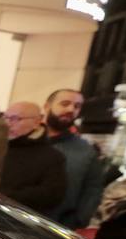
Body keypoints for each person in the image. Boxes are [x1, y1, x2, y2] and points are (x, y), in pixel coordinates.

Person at [43, 89, 107, 228]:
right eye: (65, 103)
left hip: (56, 227)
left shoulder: (86, 151)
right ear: (47, 106)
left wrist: (78, 220)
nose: (71, 109)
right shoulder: (26, 141)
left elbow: (93, 189)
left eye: (77, 106)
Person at [0, 102, 66, 214]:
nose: (8, 123)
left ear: (36, 122)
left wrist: (2, 195)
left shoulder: (52, 157)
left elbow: (51, 195)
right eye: (5, 117)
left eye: (15, 118)